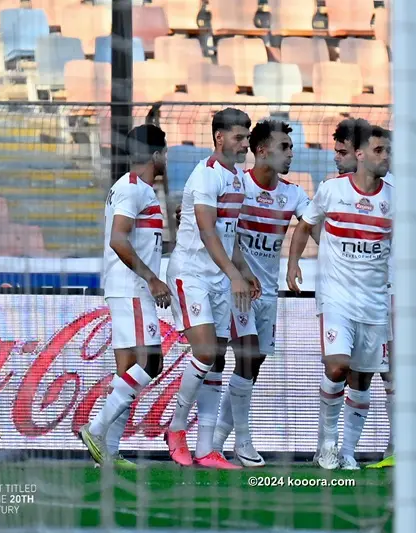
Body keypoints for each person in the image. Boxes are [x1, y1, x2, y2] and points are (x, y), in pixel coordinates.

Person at [286, 123, 394, 470]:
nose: (385, 157)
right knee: (337, 366)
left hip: (374, 302)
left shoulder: (394, 198)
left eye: (388, 151)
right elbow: (305, 224)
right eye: (379, 150)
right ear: (360, 154)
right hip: (336, 296)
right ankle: (327, 445)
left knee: (362, 379)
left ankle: (347, 451)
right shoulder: (332, 190)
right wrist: (293, 265)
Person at [211, 119, 317, 467]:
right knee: (245, 356)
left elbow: (314, 227)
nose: (291, 153)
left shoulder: (293, 193)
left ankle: (215, 439)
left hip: (267, 293)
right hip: (236, 287)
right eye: (284, 147)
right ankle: (244, 442)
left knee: (252, 366)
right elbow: (204, 217)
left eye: (291, 147)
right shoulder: (236, 184)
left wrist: (298, 260)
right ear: (260, 151)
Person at [165, 108, 260, 469]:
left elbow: (227, 234)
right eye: (239, 137)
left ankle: (205, 449)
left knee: (214, 363)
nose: (245, 144)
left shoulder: (235, 178)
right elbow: (206, 232)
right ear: (220, 138)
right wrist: (232, 273)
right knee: (205, 352)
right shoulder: (205, 177)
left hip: (220, 277)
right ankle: (176, 428)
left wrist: (244, 270)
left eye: (247, 137)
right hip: (192, 274)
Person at [79, 124, 170, 467]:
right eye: (165, 152)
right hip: (132, 288)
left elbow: (139, 239)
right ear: (158, 154)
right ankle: (96, 427)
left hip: (123, 288)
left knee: (128, 371)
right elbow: (119, 239)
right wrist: (152, 280)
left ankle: (110, 452)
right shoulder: (134, 189)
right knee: (151, 362)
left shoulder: (135, 189)